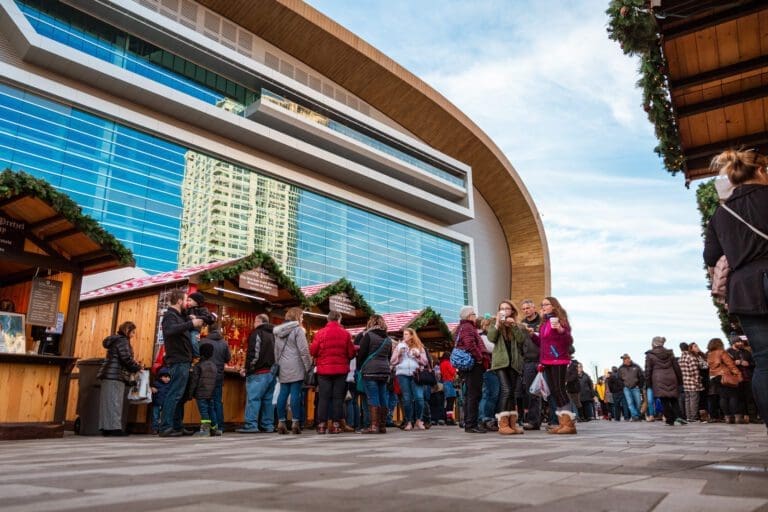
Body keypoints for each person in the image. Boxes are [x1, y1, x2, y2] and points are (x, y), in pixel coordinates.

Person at [704, 149, 768, 432]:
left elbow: (710, 257)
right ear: (761, 171)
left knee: (764, 362)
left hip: (745, 288)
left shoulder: (721, 213)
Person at [529, 296, 577, 434]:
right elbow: (543, 344)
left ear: (554, 306)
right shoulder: (544, 323)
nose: (543, 307)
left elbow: (569, 340)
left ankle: (569, 424)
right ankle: (563, 423)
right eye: (542, 304)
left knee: (560, 390)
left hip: (558, 359)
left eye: (546, 304)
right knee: (554, 392)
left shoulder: (560, 321)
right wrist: (533, 335)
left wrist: (561, 330)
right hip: (547, 360)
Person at [159, 290, 203, 437]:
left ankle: (177, 425)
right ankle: (166, 426)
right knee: (175, 393)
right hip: (178, 359)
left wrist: (189, 320)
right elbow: (170, 330)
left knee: (181, 395)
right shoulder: (170, 316)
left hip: (184, 359)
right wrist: (190, 323)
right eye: (186, 300)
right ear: (178, 301)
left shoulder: (179, 316)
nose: (188, 303)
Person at [311, 310, 356, 434]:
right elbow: (351, 353)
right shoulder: (346, 334)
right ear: (339, 319)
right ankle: (336, 425)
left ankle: (321, 425)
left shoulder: (320, 333)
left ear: (328, 319)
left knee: (323, 398)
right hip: (340, 371)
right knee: (338, 398)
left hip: (324, 371)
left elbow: (313, 351)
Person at [486, 300, 527, 435]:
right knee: (506, 390)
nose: (504, 311)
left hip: (514, 363)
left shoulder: (516, 325)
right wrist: (498, 322)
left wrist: (514, 325)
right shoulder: (494, 323)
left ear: (512, 311)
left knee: (512, 393)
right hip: (500, 363)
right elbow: (491, 338)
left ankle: (512, 423)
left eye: (507, 308)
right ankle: (502, 424)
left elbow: (521, 340)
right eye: (501, 308)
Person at [97, 321, 142, 436]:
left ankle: (106, 428)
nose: (133, 335)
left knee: (107, 403)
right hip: (115, 375)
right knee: (115, 402)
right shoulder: (123, 341)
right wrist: (137, 367)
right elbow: (126, 358)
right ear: (127, 331)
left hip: (109, 374)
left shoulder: (115, 340)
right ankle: (115, 429)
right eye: (132, 332)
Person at [273, 307, 312, 435]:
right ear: (297, 317)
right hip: (296, 365)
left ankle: (281, 422)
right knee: (295, 393)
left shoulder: (279, 331)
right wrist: (308, 366)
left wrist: (278, 364)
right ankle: (295, 422)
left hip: (283, 365)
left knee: (283, 393)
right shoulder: (298, 330)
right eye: (301, 316)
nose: (302, 319)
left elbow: (276, 351)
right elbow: (304, 351)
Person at [237, 314, 276, 433]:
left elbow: (254, 354)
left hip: (258, 372)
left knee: (253, 399)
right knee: (268, 400)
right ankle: (268, 425)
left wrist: (248, 368)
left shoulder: (257, 333)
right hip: (272, 372)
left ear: (258, 321)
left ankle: (251, 425)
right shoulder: (274, 335)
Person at [357, 314, 393, 434]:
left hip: (370, 371)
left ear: (371, 323)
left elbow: (361, 354)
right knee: (383, 396)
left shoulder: (368, 336)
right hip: (384, 371)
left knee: (373, 397)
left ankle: (374, 426)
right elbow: (389, 356)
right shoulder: (388, 339)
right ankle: (382, 426)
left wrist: (360, 366)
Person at [455, 305, 488, 433]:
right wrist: (479, 358)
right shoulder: (468, 327)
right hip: (473, 365)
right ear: (469, 316)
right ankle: (471, 424)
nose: (475, 316)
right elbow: (470, 345)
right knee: (474, 394)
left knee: (470, 394)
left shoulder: (461, 327)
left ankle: (470, 423)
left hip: (468, 365)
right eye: (474, 314)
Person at [391, 327, 428, 431]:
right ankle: (408, 422)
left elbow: (425, 362)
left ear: (412, 335)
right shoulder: (399, 346)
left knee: (419, 398)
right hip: (402, 374)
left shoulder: (419, 346)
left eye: (407, 334)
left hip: (416, 374)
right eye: (404, 334)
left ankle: (419, 420)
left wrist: (417, 356)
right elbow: (392, 361)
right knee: (407, 399)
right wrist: (399, 354)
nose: (404, 336)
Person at [644, 336, 684, 426]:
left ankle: (670, 419)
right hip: (672, 377)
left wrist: (648, 383)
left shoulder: (650, 355)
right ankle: (679, 418)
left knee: (664, 400)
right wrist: (680, 380)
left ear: (654, 343)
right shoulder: (670, 353)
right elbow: (676, 367)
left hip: (658, 379)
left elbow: (648, 370)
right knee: (674, 399)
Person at [199, 322, 230, 436]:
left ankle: (207, 426)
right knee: (217, 401)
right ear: (219, 330)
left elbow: (198, 355)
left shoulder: (203, 341)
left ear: (208, 329)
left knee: (205, 401)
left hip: (204, 375)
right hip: (218, 375)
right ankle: (219, 426)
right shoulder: (224, 343)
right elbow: (228, 358)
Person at [707, 337, 743, 424]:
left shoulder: (709, 354)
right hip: (725, 376)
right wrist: (738, 374)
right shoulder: (721, 352)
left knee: (723, 397)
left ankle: (727, 418)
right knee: (733, 396)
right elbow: (730, 364)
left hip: (714, 377)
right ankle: (737, 417)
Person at [520, 299, 543, 430]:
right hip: (528, 362)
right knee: (532, 392)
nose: (526, 311)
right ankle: (534, 421)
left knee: (547, 391)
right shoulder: (521, 325)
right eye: (523, 309)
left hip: (542, 360)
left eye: (528, 308)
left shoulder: (542, 322)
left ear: (534, 308)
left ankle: (555, 419)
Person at [727, 336, 755, 424]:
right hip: (736, 379)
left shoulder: (746, 352)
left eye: (741, 342)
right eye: (738, 342)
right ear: (733, 343)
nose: (741, 343)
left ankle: (753, 417)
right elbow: (725, 365)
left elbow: (753, 363)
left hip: (747, 378)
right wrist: (734, 363)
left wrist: (749, 364)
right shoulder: (728, 352)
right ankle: (741, 417)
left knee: (750, 398)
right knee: (739, 399)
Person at [192, 342, 218, 436]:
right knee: (211, 409)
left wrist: (191, 393)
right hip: (211, 393)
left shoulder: (198, 366)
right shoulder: (214, 366)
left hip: (201, 393)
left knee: (204, 411)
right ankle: (214, 429)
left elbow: (194, 381)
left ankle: (205, 430)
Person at [679, 342, 707, 422]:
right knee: (694, 400)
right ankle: (693, 417)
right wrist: (698, 381)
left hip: (685, 382)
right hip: (693, 383)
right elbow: (694, 372)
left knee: (687, 400)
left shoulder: (681, 358)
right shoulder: (691, 357)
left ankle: (688, 416)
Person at [186, 291, 216, 358]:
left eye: (190, 300)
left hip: (195, 330)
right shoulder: (187, 309)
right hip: (186, 329)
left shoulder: (202, 309)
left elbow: (208, 318)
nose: (188, 302)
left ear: (196, 302)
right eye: (187, 300)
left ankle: (197, 356)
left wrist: (196, 317)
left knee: (194, 341)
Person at [618, 354, 644, 421]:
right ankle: (635, 416)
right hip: (626, 388)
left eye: (626, 358)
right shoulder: (620, 368)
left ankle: (638, 415)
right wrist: (623, 386)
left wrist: (639, 385)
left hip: (635, 387)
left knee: (638, 403)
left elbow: (641, 376)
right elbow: (619, 379)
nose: (624, 360)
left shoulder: (636, 366)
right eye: (623, 359)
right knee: (630, 403)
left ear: (629, 358)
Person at [150, 367, 171, 434]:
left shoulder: (170, 385)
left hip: (165, 404)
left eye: (168, 377)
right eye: (165, 377)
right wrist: (151, 389)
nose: (167, 379)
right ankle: (155, 429)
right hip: (156, 403)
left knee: (164, 417)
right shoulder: (156, 384)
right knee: (155, 417)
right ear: (160, 377)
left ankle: (163, 428)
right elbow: (151, 390)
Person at [439, 354, 457, 425]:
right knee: (451, 400)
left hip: (445, 382)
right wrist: (455, 368)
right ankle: (450, 419)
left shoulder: (442, 364)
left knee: (448, 401)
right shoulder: (448, 363)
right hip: (450, 382)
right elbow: (453, 372)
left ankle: (447, 417)